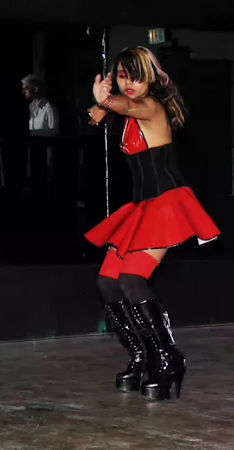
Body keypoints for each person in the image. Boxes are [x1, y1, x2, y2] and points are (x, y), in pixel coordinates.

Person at [85, 47, 220, 401]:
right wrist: (100, 108)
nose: (129, 83)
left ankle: (167, 357)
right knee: (108, 282)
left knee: (132, 279)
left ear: (151, 77)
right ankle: (141, 356)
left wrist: (104, 101)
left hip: (166, 203)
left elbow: (126, 106)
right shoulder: (126, 111)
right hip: (141, 206)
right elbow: (103, 115)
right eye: (122, 76)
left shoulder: (151, 107)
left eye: (136, 75)